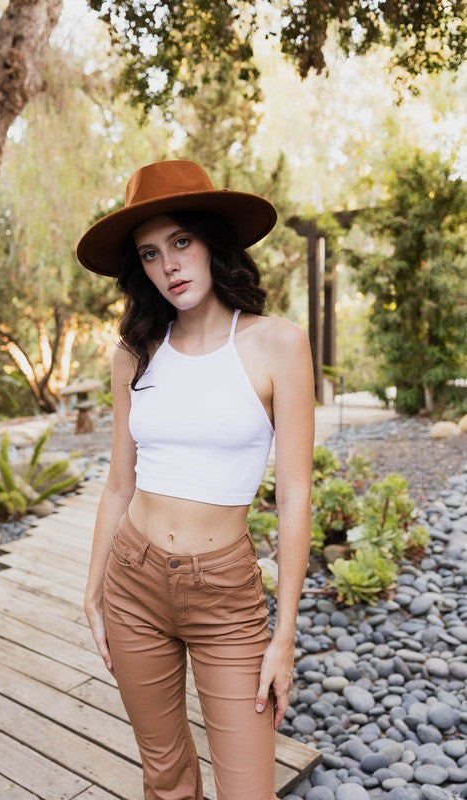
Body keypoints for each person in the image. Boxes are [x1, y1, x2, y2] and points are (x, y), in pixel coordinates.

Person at [76, 159, 315, 800]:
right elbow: (118, 483)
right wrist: (94, 591)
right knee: (167, 780)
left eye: (181, 241)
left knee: (247, 792)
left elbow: (295, 497)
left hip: (226, 598)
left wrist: (284, 634)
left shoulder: (278, 345)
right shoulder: (134, 353)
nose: (169, 265)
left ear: (213, 242)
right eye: (151, 254)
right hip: (133, 584)